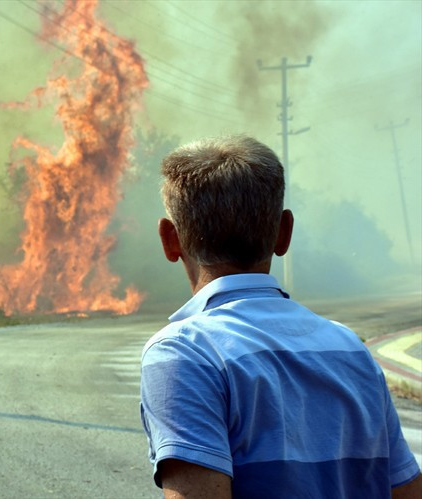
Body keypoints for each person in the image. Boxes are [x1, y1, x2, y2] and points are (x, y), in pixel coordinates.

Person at [139, 135, 421, 498]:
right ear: (284, 233)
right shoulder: (349, 347)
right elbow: (407, 490)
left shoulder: (185, 353)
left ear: (170, 240)